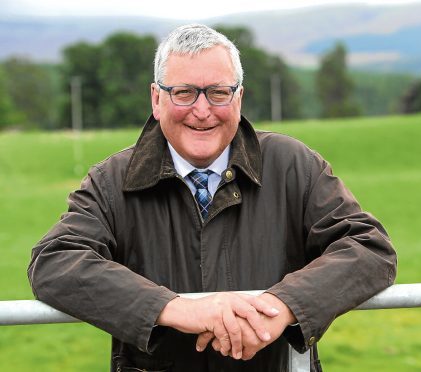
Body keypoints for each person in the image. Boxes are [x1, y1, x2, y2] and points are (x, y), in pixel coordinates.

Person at [28, 24, 397, 372]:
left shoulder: (293, 165)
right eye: (183, 93)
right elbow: (55, 261)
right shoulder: (111, 181)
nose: (202, 111)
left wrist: (281, 305)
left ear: (239, 98)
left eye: (218, 92)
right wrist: (175, 309)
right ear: (156, 99)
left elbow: (368, 248)